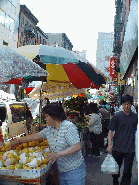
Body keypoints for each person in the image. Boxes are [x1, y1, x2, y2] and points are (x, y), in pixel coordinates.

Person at [11, 103, 86, 185]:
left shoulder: (68, 127)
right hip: (61, 169)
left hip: (74, 170)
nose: (45, 119)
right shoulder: (49, 129)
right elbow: (35, 136)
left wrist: (58, 154)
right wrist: (18, 141)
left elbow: (77, 146)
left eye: (46, 116)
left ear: (54, 116)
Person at [107, 94, 138, 185]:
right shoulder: (117, 116)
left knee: (127, 172)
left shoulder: (136, 117)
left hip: (130, 149)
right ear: (122, 104)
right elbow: (110, 131)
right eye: (124, 104)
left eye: (128, 104)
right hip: (117, 148)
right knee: (115, 170)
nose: (126, 106)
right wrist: (109, 145)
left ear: (132, 104)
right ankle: (115, 182)